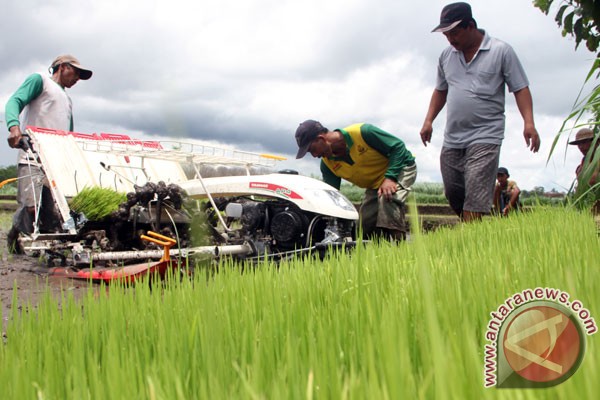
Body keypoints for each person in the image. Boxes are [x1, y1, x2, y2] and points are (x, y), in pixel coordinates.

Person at [419, 2, 540, 222]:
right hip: (453, 138)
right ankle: (476, 230)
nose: (450, 39)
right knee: (453, 192)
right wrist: (428, 121)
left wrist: (529, 123)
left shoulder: (500, 51)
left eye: (454, 33)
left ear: (471, 26)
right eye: (446, 35)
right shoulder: (446, 56)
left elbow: (520, 88)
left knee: (475, 195)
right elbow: (440, 90)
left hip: (486, 135)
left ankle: (471, 242)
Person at [5, 54, 93, 253]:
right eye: (76, 72)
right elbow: (14, 101)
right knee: (32, 207)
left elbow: (68, 134)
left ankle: (49, 249)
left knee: (53, 212)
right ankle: (15, 232)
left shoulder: (68, 100)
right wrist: (13, 127)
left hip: (55, 163)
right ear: (62, 67)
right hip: (32, 155)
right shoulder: (40, 81)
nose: (78, 78)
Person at [295, 120, 417, 241]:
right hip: (375, 183)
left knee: (388, 198)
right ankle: (377, 252)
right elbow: (332, 196)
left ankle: (399, 247)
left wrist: (390, 178)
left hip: (400, 168)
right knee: (365, 224)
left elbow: (397, 147)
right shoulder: (327, 165)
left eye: (312, 150)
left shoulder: (363, 133)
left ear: (320, 139)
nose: (314, 155)